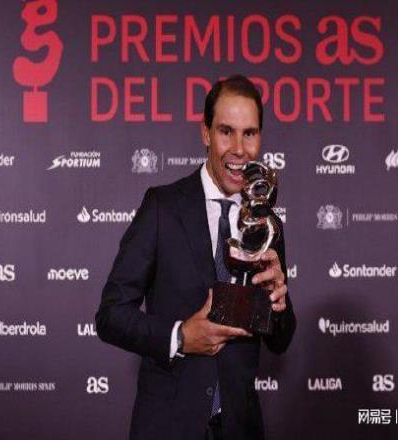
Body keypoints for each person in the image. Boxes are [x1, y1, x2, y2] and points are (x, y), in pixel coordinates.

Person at [96, 74, 296, 440]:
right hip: (168, 427)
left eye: (249, 133)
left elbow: (280, 341)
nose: (239, 149)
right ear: (206, 133)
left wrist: (279, 305)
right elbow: (110, 315)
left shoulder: (267, 223)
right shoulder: (162, 207)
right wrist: (180, 336)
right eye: (226, 132)